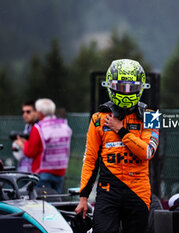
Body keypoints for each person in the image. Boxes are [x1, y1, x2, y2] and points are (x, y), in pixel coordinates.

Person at [75, 59, 159, 233]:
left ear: (141, 87)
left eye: (132, 87)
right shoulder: (98, 119)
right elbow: (90, 160)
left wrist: (121, 130)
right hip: (108, 192)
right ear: (111, 86)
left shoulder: (151, 116)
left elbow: (147, 152)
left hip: (138, 191)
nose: (126, 92)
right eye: (121, 87)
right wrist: (83, 197)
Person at [14, 98, 72, 193]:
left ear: (40, 112)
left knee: (43, 204)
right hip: (60, 170)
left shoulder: (38, 128)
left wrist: (22, 144)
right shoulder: (64, 125)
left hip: (43, 172)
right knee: (57, 201)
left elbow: (30, 152)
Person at [12, 100, 38, 173]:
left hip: (34, 173)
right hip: (23, 170)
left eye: (28, 112)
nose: (25, 115)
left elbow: (32, 151)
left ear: (36, 112)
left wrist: (22, 144)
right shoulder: (27, 127)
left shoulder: (39, 128)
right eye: (23, 112)